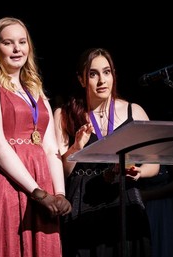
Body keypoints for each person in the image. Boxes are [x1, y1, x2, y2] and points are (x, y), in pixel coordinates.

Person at [0, 17, 72, 257]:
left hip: (42, 188)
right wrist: (37, 192)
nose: (17, 49)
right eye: (8, 43)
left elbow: (50, 148)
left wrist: (59, 193)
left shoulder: (35, 89)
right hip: (3, 183)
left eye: (22, 42)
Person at [53, 47, 160, 257]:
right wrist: (76, 148)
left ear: (113, 74)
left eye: (107, 72)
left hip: (125, 199)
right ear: (81, 79)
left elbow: (154, 162)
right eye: (93, 74)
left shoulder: (134, 111)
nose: (102, 80)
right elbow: (61, 173)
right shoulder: (64, 114)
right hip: (82, 203)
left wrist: (140, 172)